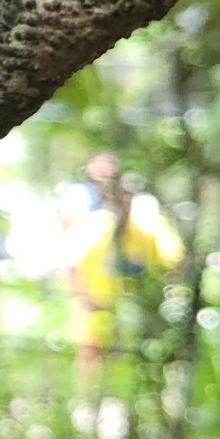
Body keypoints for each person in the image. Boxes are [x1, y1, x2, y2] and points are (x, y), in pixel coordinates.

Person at [60, 153, 182, 380]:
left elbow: (172, 262)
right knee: (91, 358)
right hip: (96, 311)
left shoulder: (148, 228)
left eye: (127, 197)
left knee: (132, 363)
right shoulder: (95, 225)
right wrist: (84, 301)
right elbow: (70, 265)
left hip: (133, 314)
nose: (121, 204)